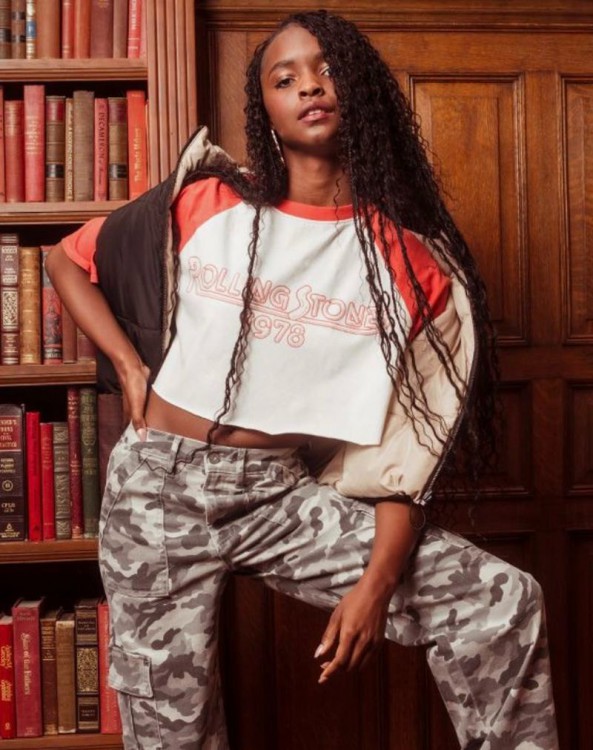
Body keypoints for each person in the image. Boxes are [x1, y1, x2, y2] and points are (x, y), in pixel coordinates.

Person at [46, 10, 559, 750]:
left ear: (362, 91)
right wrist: (128, 365)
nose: (309, 87)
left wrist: (374, 589)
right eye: (284, 79)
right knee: (170, 730)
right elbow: (67, 258)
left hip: (276, 494)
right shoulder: (208, 203)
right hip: (156, 487)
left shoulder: (412, 267)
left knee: (501, 601)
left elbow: (402, 460)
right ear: (265, 109)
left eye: (326, 70)